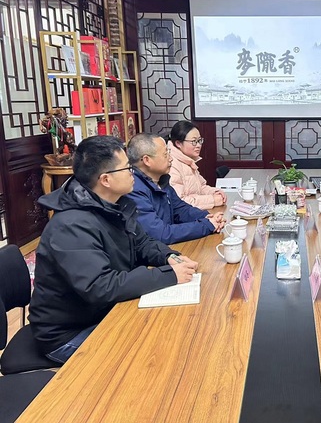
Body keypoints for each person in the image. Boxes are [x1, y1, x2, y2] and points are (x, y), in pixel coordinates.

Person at [29, 136, 198, 363]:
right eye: (127, 168)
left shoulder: (115, 203)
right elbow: (101, 286)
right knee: (151, 351)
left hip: (103, 311)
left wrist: (169, 257)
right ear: (106, 179)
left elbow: (142, 242)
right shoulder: (70, 225)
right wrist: (168, 275)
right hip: (68, 333)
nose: (133, 173)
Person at [127, 133, 226, 244]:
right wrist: (206, 225)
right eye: (166, 154)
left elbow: (180, 209)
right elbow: (161, 234)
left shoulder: (161, 181)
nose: (171, 159)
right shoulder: (134, 189)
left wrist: (207, 217)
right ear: (147, 160)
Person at [168, 120, 227, 210]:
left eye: (199, 140)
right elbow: (180, 202)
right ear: (178, 143)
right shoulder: (171, 164)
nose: (199, 145)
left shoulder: (187, 160)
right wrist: (212, 200)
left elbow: (201, 187)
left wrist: (215, 192)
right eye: (194, 141)